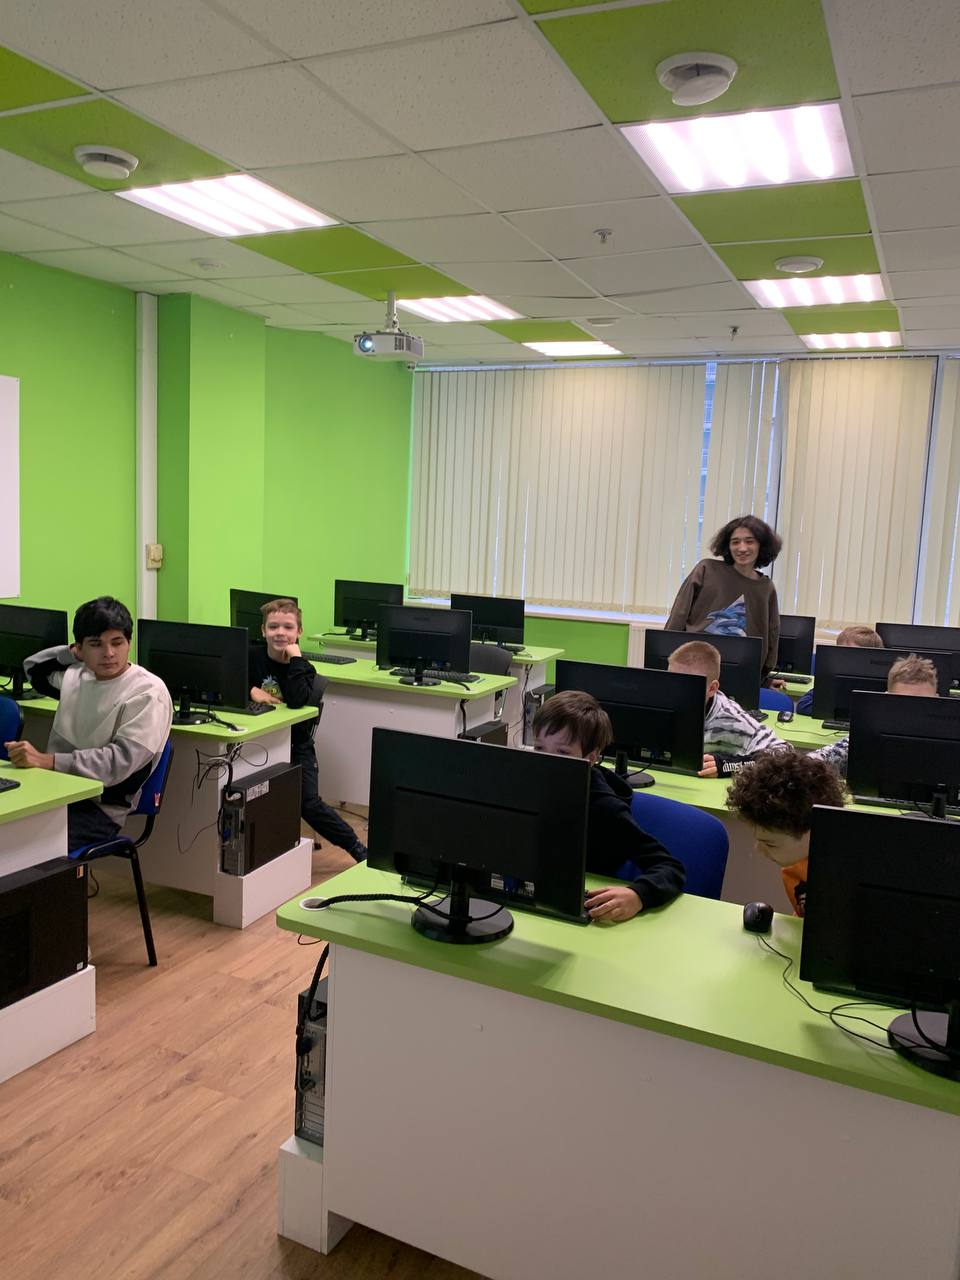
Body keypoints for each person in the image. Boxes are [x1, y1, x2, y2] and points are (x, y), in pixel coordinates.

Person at [4, 596, 173, 852]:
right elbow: (33, 669)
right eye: (96, 644)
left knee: (17, 846)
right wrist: (71, 654)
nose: (109, 653)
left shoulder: (148, 692)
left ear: (129, 643)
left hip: (100, 808)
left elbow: (118, 762)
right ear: (80, 649)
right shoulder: (77, 676)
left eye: (117, 642)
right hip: (53, 791)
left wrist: (48, 761)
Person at [532, 690, 685, 922]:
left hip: (586, 914)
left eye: (563, 752)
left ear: (591, 758)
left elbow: (670, 868)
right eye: (539, 748)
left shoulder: (605, 808)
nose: (548, 761)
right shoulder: (529, 787)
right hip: (539, 901)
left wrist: (638, 895)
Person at [249, 598, 366, 861]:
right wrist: (250, 690)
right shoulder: (250, 657)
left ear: (299, 632)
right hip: (258, 742)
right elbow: (227, 683)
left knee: (308, 804)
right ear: (263, 630)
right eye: (273, 627)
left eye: (288, 627)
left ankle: (357, 848)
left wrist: (295, 660)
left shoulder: (304, 668)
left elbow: (296, 700)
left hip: (296, 743)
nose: (280, 633)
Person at [726, 750, 847, 917]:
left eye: (770, 844)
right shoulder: (797, 865)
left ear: (813, 834)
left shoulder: (842, 878)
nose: (758, 849)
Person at [666, 514, 782, 679]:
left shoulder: (766, 588)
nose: (742, 548)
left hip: (741, 672)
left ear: (761, 545)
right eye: (735, 542)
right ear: (727, 546)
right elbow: (679, 613)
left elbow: (772, 634)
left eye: (749, 541)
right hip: (694, 667)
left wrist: (763, 679)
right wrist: (667, 655)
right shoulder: (706, 569)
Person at [667, 640, 789, 778]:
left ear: (712, 688)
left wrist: (728, 765)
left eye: (686, 685)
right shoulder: (661, 703)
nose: (675, 692)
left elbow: (784, 754)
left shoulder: (731, 718)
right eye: (671, 681)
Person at [811, 653, 940, 779]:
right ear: (886, 700)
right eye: (902, 703)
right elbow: (817, 760)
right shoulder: (868, 734)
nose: (912, 712)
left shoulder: (946, 735)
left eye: (923, 703)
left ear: (937, 701)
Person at [796, 626, 882, 716]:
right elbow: (803, 706)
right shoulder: (834, 679)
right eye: (841, 653)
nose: (845, 659)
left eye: (851, 655)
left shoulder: (880, 685)